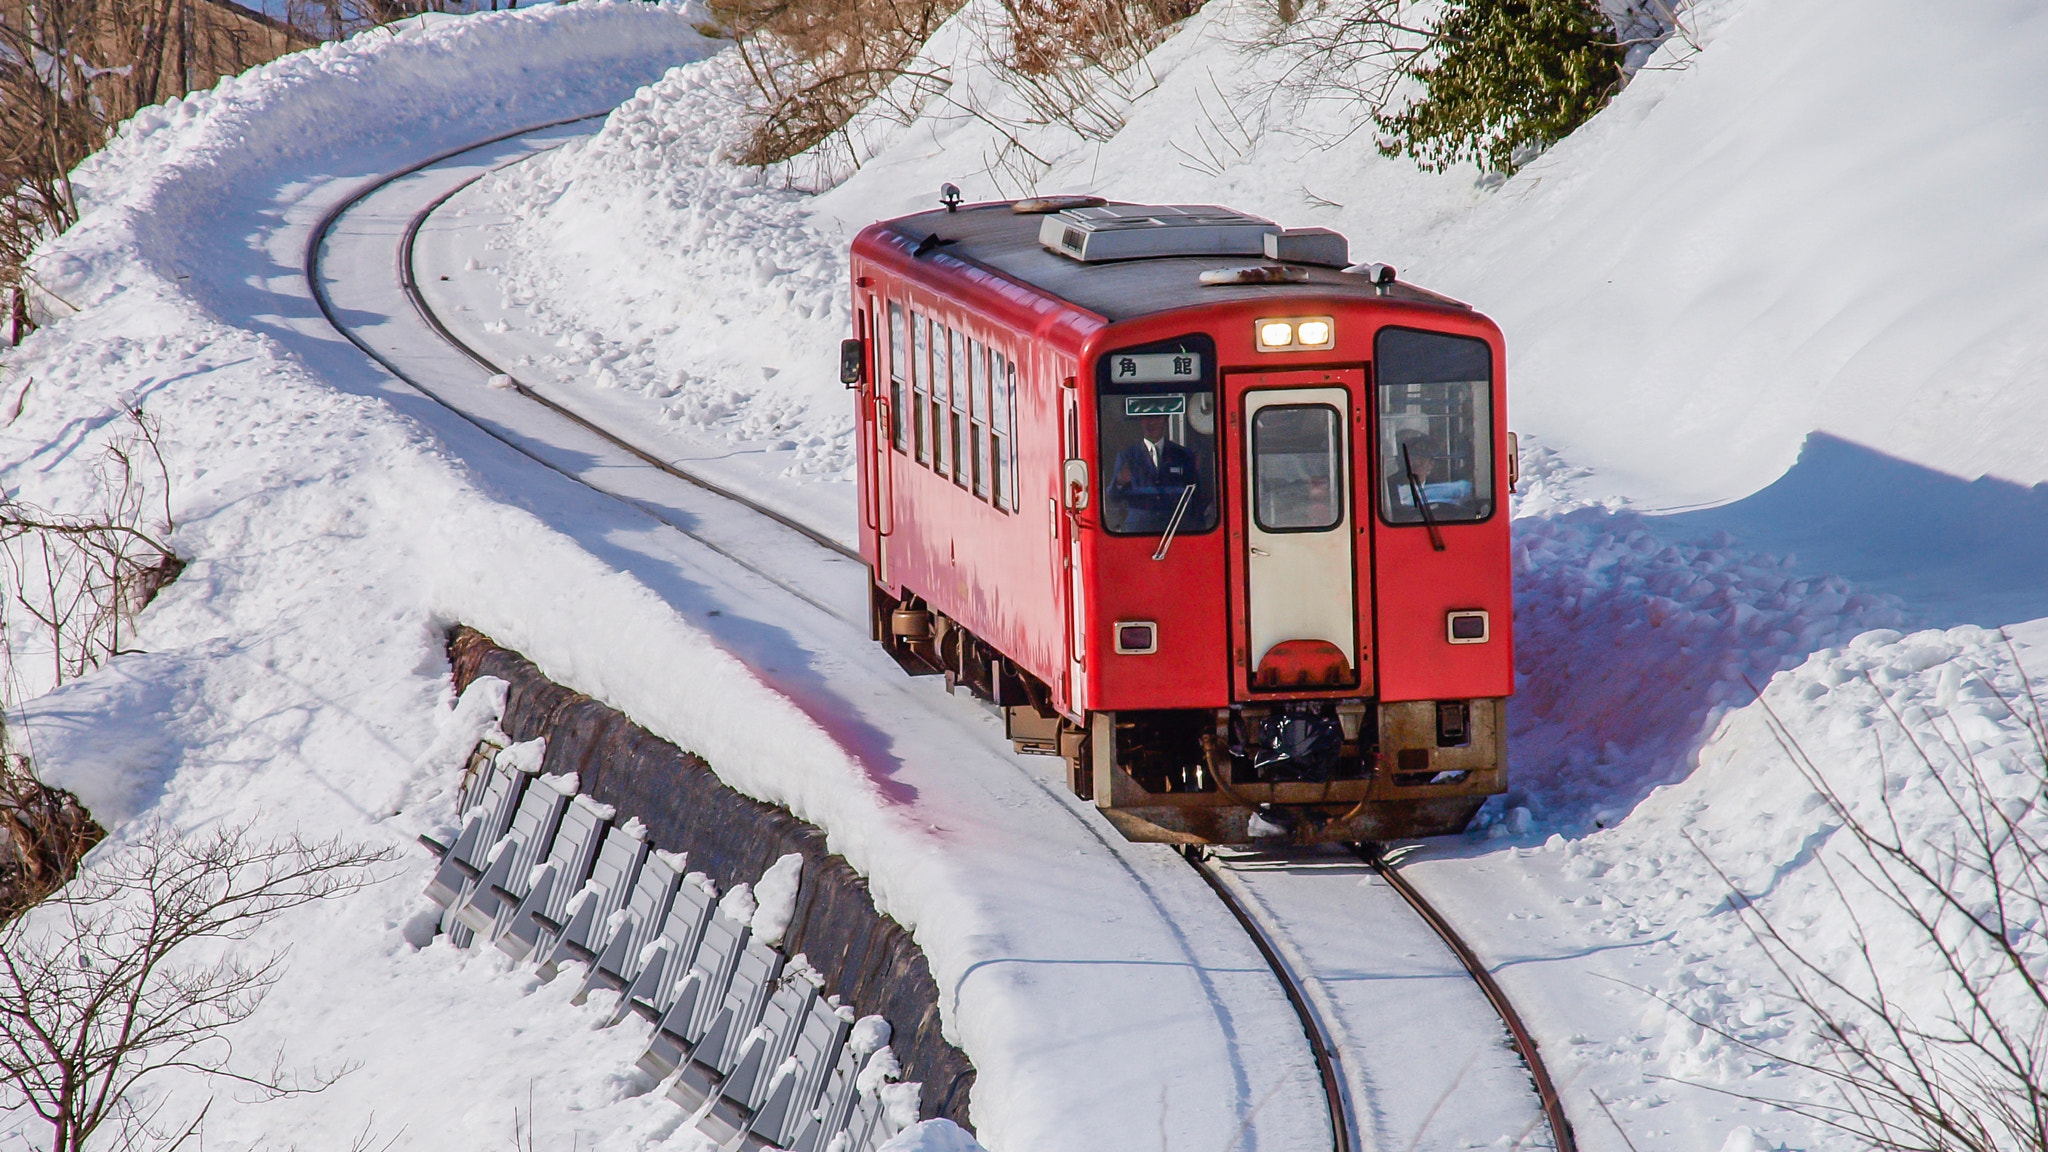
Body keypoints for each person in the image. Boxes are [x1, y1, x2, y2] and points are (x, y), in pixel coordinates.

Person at [1109, 414, 1209, 533]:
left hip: (1177, 531)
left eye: (1156, 417)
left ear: (1166, 420)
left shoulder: (1184, 455)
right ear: (1141, 421)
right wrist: (1120, 480)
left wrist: (1198, 530)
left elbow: (1198, 496)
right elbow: (1112, 498)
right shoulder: (1127, 456)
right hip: (1137, 532)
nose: (1151, 423)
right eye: (1147, 418)